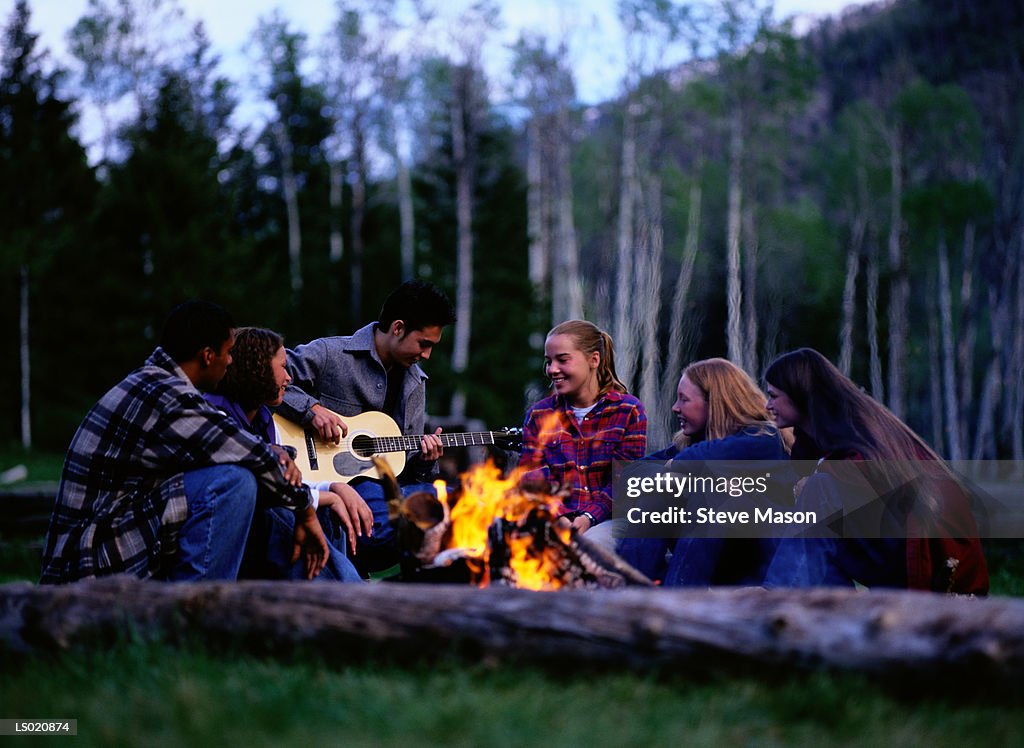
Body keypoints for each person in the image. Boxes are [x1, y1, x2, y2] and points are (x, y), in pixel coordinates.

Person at [41, 301, 330, 585]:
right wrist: (305, 510)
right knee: (233, 481)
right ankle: (194, 613)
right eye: (228, 352)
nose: (231, 362)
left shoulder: (154, 382)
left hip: (99, 542)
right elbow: (251, 454)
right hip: (88, 561)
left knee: (242, 472)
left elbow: (236, 444)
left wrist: (273, 454)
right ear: (207, 355)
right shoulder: (168, 398)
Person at [762, 347, 988, 594]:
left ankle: (776, 593)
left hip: (920, 546)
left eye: (773, 396)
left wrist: (817, 476)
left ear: (799, 394)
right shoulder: (814, 436)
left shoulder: (856, 421)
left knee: (818, 491)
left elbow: (869, 478)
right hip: (887, 537)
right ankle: (831, 612)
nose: (767, 405)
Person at [276, 279, 456, 574]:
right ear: (397, 328)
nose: (427, 355)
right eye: (424, 344)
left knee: (453, 502)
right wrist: (312, 411)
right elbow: (264, 383)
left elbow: (406, 470)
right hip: (331, 488)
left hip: (386, 492)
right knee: (424, 519)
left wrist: (426, 461)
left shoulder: (416, 383)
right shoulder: (328, 354)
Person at [205, 327, 371, 582]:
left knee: (326, 509)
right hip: (234, 529)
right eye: (282, 367)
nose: (289, 378)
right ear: (257, 368)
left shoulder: (265, 420)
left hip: (263, 526)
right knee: (281, 513)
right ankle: (350, 592)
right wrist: (326, 497)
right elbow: (269, 490)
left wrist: (334, 487)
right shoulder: (217, 416)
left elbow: (293, 484)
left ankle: (334, 588)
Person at [617, 358, 788, 586]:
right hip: (706, 561)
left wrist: (675, 470)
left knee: (709, 492)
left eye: (684, 399)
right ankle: (630, 590)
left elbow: (699, 459)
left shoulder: (763, 438)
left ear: (714, 403)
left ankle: (677, 600)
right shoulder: (692, 442)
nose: (675, 407)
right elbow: (632, 475)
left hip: (756, 569)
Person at [518, 320, 647, 551]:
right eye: (549, 362)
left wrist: (588, 517)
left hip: (609, 519)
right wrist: (557, 517)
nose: (552, 369)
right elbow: (533, 478)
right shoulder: (539, 415)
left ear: (593, 360)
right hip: (549, 519)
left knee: (587, 547)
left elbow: (625, 484)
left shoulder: (629, 411)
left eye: (562, 360)